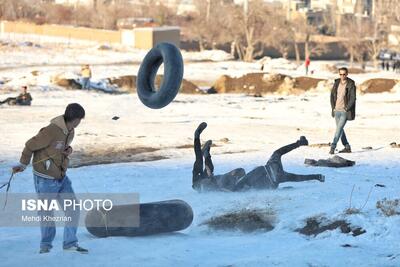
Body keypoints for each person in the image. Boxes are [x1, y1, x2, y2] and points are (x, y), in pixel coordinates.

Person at [12, 103, 88, 254]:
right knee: (46, 214)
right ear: (74, 119)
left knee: (73, 209)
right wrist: (22, 164)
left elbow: (59, 148)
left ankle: (70, 243)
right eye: (80, 119)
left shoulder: (70, 131)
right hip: (45, 179)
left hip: (61, 177)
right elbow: (30, 145)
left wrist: (68, 150)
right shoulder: (50, 131)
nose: (80, 122)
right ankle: (45, 247)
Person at [192, 122, 325, 192]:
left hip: (268, 174)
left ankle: (301, 143)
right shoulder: (204, 184)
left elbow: (208, 166)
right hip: (267, 175)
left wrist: (316, 177)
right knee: (201, 161)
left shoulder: (216, 180)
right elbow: (205, 166)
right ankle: (197, 136)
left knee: (279, 158)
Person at [329, 67, 356, 154]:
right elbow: (332, 95)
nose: (342, 76)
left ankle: (333, 146)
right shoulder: (336, 83)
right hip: (336, 110)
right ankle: (347, 146)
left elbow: (353, 98)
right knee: (339, 130)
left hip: (345, 111)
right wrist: (333, 107)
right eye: (340, 74)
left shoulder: (351, 84)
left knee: (339, 129)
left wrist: (346, 108)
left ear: (347, 74)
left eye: (344, 74)